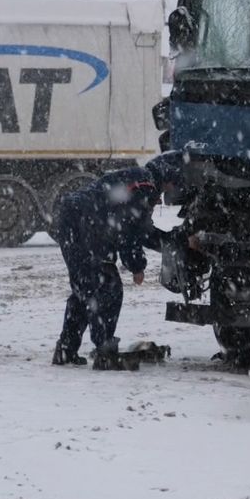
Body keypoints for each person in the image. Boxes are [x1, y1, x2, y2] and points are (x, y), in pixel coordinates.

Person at [51, 152, 184, 370]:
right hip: (84, 221)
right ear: (167, 179)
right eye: (168, 189)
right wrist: (136, 266)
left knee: (85, 287)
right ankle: (105, 352)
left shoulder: (139, 180)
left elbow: (142, 231)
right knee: (108, 287)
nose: (163, 198)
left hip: (73, 218)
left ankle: (66, 350)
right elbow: (130, 231)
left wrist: (175, 241)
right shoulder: (144, 185)